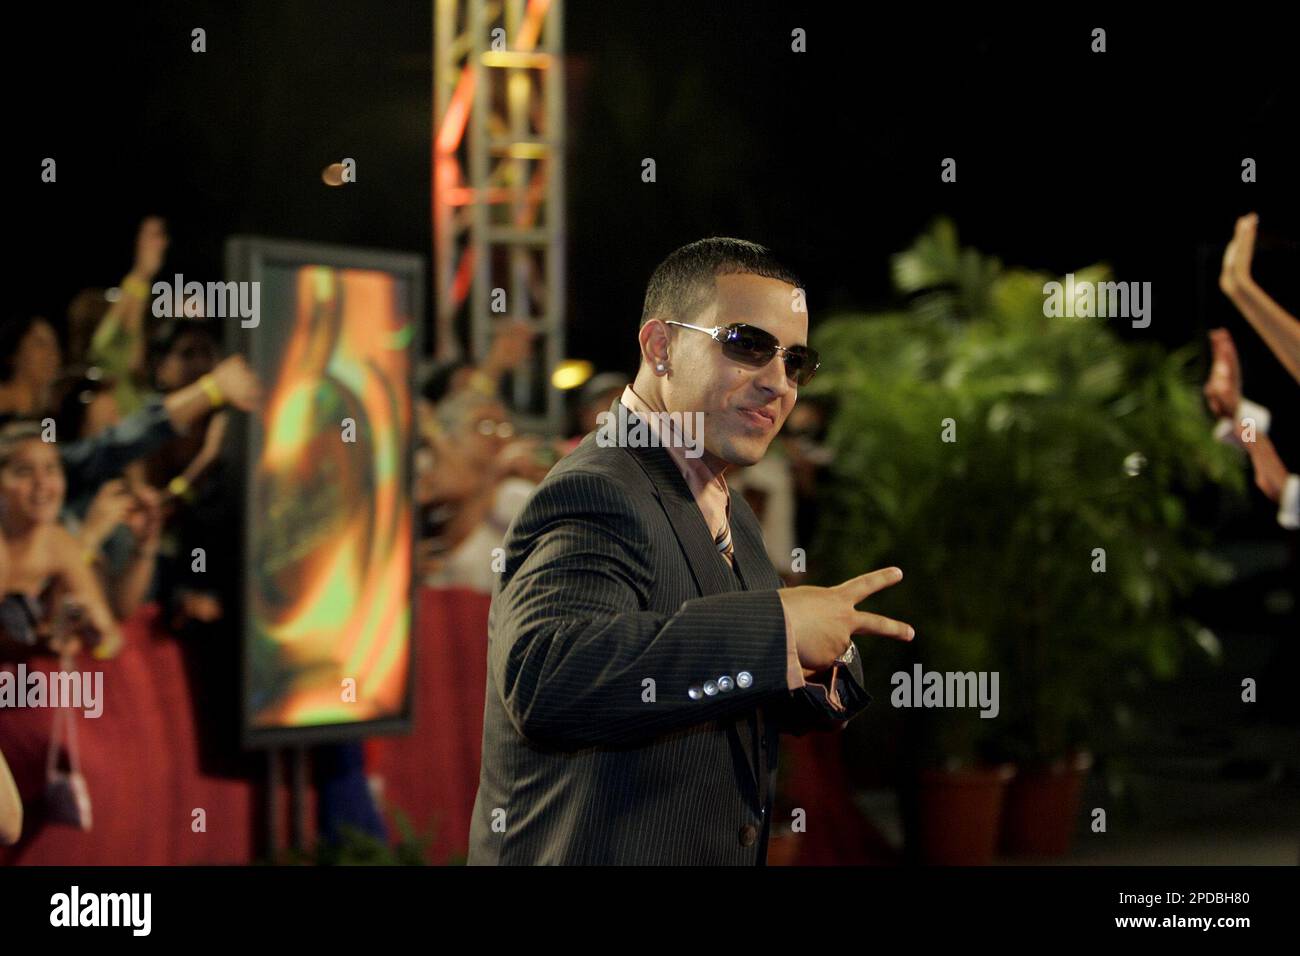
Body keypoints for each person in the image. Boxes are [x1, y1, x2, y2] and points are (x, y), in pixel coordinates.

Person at [468, 238, 913, 865]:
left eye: (797, 361)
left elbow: (723, 674)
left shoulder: (723, 501)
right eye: (747, 345)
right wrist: (779, 629)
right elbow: (548, 680)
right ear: (660, 347)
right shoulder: (597, 487)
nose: (778, 383)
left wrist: (821, 657)